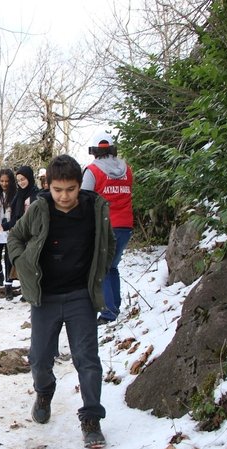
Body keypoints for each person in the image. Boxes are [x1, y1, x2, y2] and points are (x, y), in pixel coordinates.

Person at [8, 154, 115, 448]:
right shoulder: (40, 209)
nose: (64, 196)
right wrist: (23, 264)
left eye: (70, 189)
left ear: (79, 185)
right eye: (58, 190)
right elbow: (15, 238)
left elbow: (109, 243)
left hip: (81, 296)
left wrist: (98, 273)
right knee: (40, 359)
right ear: (49, 186)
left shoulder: (94, 209)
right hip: (46, 298)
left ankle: (91, 418)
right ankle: (44, 392)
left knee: (88, 360)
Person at [81, 131, 133, 323]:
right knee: (112, 267)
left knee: (100, 269)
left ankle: (108, 312)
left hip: (104, 226)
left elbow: (84, 200)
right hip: (126, 225)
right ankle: (115, 307)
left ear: (94, 151)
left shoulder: (92, 171)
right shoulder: (127, 169)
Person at [1, 165, 39, 299]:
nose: (21, 182)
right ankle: (10, 287)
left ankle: (28, 290)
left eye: (23, 179)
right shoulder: (18, 195)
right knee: (14, 260)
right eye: (18, 180)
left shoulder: (37, 194)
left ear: (29, 178)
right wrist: (4, 226)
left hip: (32, 233)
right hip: (18, 232)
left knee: (30, 262)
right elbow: (14, 217)